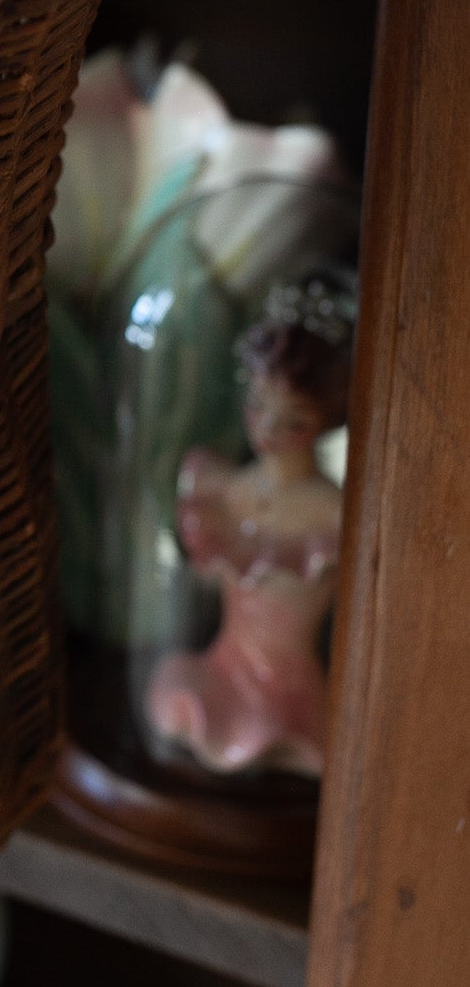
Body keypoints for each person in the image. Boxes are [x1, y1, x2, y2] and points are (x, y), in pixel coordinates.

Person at [145, 283, 353, 777]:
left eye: (295, 420)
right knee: (184, 705)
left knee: (269, 726)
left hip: (290, 683)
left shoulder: (333, 511)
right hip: (224, 664)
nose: (268, 429)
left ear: (327, 420)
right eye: (258, 407)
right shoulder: (226, 490)